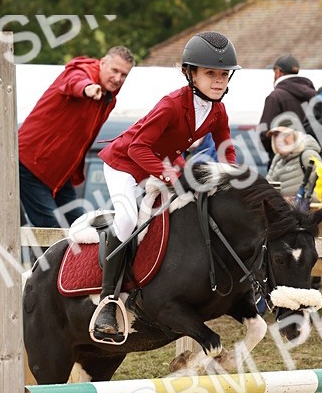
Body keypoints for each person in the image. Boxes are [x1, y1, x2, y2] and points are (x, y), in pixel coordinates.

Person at [93, 31, 239, 341]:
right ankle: (108, 301)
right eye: (210, 73)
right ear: (191, 74)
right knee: (129, 219)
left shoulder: (217, 110)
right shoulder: (173, 104)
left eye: (223, 75)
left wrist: (233, 177)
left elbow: (226, 147)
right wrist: (172, 176)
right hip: (123, 164)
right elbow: (137, 149)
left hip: (160, 164)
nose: (218, 81)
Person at [18, 47, 135, 228]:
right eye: (115, 70)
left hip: (59, 173)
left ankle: (88, 257)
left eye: (124, 75)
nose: (118, 78)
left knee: (83, 226)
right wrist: (87, 88)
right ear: (102, 62)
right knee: (51, 230)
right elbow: (74, 81)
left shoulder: (108, 99)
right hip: (30, 163)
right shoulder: (81, 71)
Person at [258, 55, 318, 157]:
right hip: (310, 159)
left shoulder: (275, 97)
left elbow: (263, 134)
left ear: (278, 72)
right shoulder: (315, 95)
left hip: (283, 161)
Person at [265, 115, 322, 201]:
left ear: (296, 136)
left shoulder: (307, 156)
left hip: (304, 213)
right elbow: (267, 189)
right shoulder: (277, 159)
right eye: (276, 135)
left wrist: (297, 201)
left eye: (285, 135)